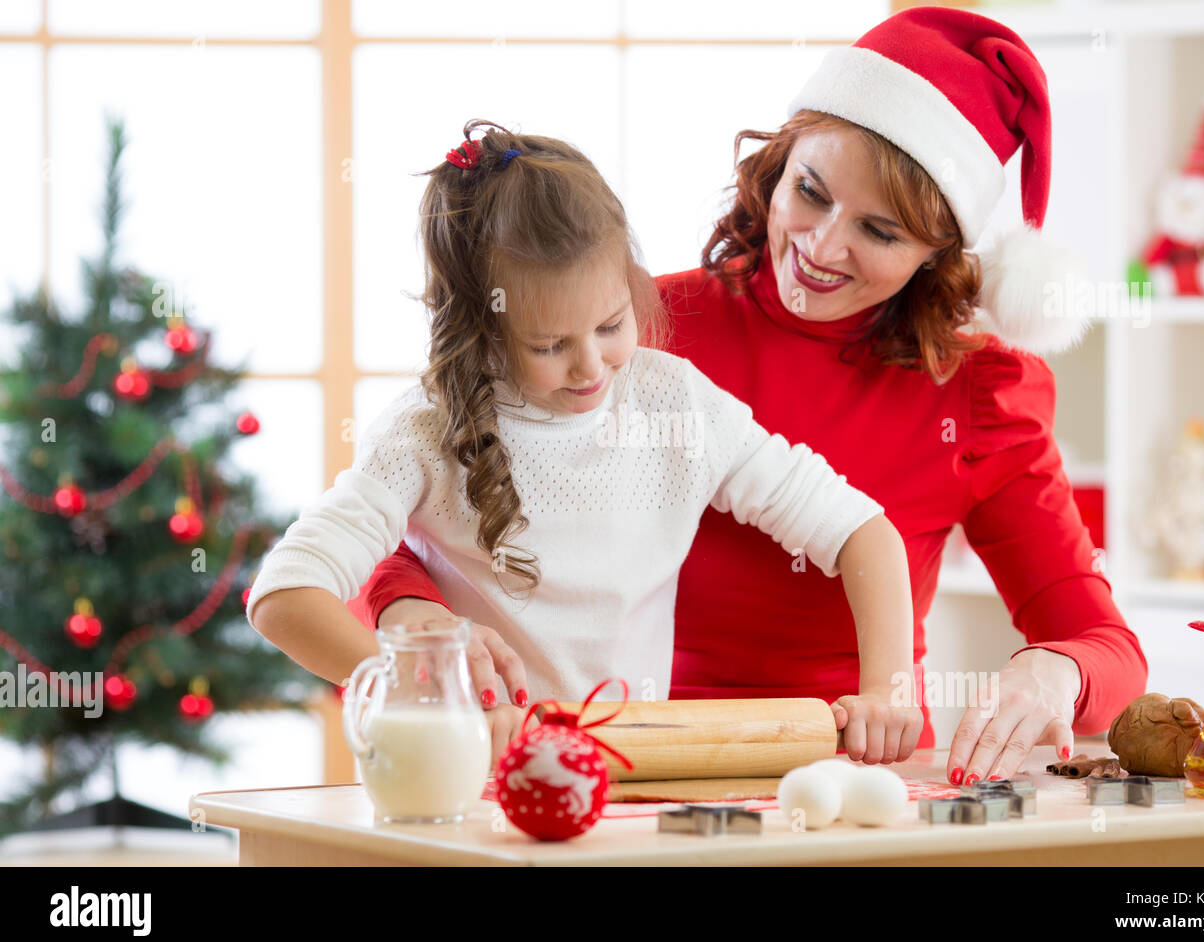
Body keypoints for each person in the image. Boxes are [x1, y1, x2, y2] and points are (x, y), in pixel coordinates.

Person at [355, 8, 1148, 785]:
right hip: (628, 761)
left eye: (880, 233)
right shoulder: (635, 335)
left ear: (939, 256)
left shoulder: (977, 395)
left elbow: (1104, 643)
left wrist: (1057, 672)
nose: (822, 246)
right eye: (810, 191)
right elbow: (395, 524)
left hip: (863, 782)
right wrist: (410, 618)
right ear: (779, 161)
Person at [248, 120, 923, 765]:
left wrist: (888, 690)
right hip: (472, 780)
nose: (592, 367)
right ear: (480, 329)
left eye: (610, 324)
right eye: (549, 345)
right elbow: (282, 594)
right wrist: (412, 684)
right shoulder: (424, 430)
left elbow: (861, 529)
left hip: (629, 772)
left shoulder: (675, 401)